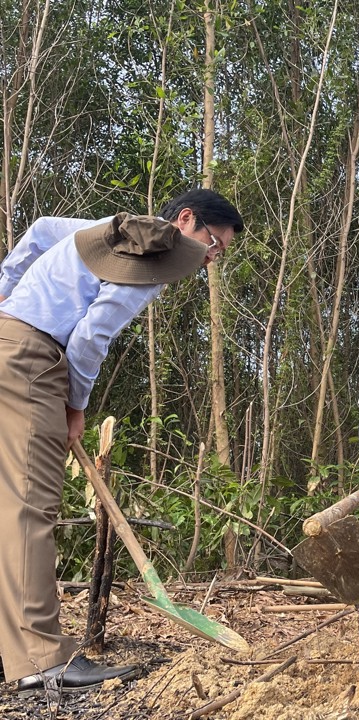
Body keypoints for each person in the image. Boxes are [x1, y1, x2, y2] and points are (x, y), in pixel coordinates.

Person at [0, 189, 244, 696]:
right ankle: (40, 660)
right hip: (34, 360)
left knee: (9, 504)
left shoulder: (114, 231)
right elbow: (90, 338)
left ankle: (15, 649)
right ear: (185, 220)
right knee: (30, 506)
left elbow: (43, 228)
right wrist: (76, 407)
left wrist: (4, 291)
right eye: (214, 243)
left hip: (10, 341)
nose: (212, 257)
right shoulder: (153, 257)